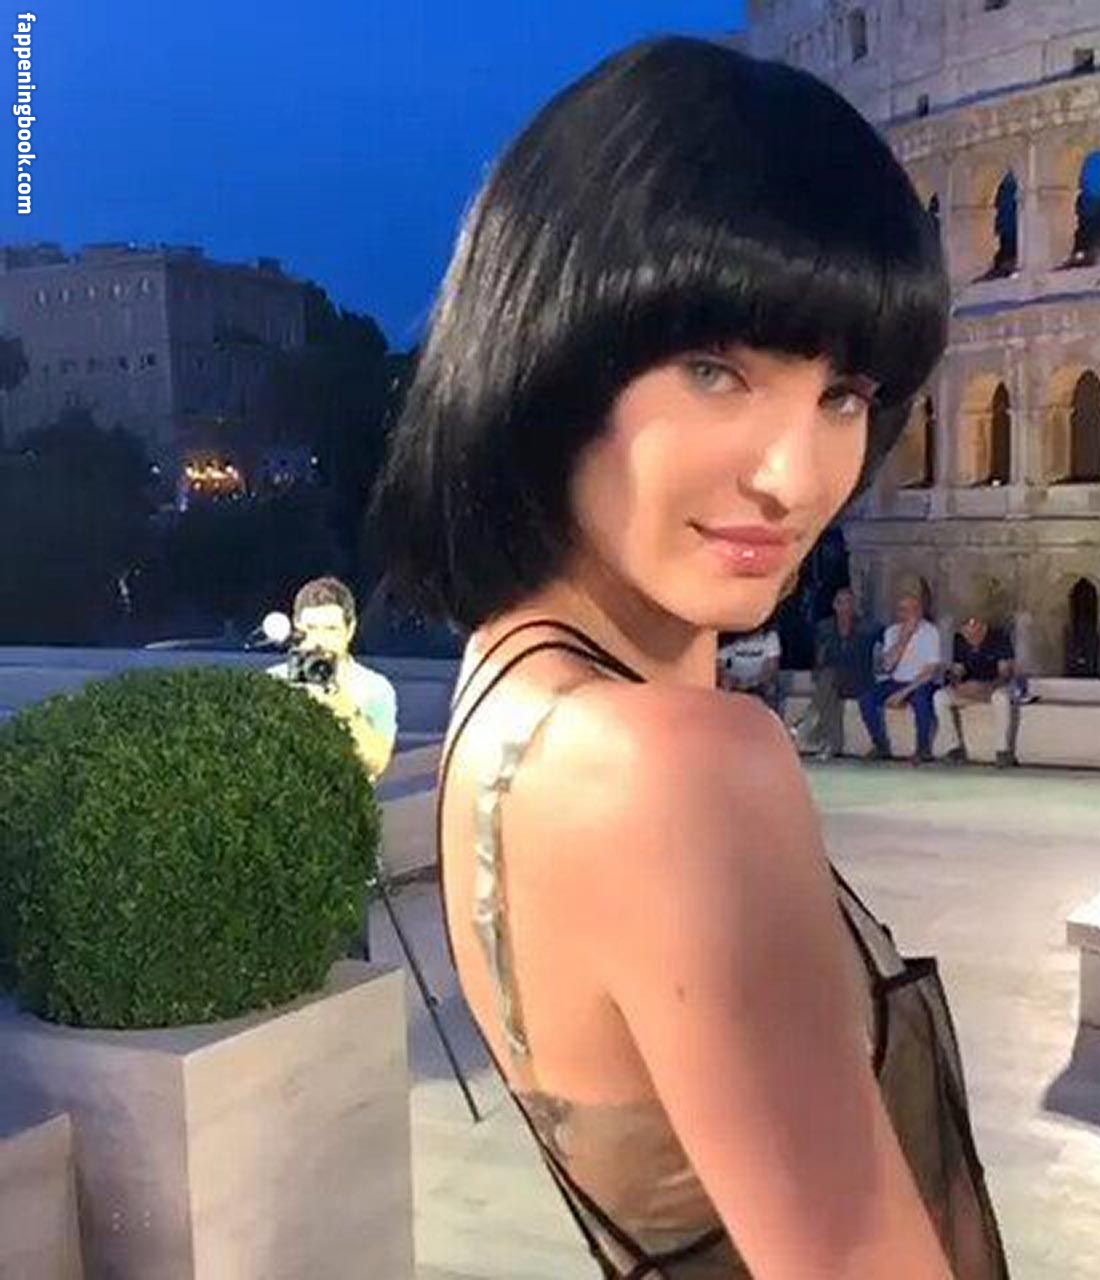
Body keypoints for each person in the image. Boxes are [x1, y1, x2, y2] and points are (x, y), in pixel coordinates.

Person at [373, 37, 1006, 1280]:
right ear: (554, 352)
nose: (793, 475)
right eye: (717, 370)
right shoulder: (674, 767)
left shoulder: (509, 690)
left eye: (842, 393)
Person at [268, 576, 399, 960]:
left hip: (345, 846)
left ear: (350, 630)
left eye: (330, 629)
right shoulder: (272, 685)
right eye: (310, 629)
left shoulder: (374, 689)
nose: (319, 641)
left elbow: (376, 761)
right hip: (281, 845)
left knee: (348, 962)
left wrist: (339, 703)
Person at [794, 587, 880, 759]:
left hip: (859, 680)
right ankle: (833, 744)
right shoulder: (824, 628)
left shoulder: (867, 628)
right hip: (832, 681)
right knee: (829, 688)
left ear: (854, 605)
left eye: (848, 602)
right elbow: (820, 658)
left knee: (828, 681)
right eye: (840, 603)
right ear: (834, 605)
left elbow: (863, 660)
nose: (844, 607)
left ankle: (808, 720)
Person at [857, 593, 943, 764]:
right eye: (902, 609)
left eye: (911, 609)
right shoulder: (892, 632)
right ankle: (881, 746)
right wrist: (904, 638)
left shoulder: (930, 632)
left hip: (921, 683)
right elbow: (888, 666)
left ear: (919, 611)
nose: (907, 613)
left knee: (921, 700)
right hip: (897, 681)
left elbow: (930, 671)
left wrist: (903, 693)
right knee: (866, 698)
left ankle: (923, 749)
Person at [933, 614, 1020, 767]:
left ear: (983, 627)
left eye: (974, 634)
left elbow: (1005, 674)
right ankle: (953, 749)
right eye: (966, 634)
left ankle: (1003, 751)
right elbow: (958, 670)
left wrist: (985, 687)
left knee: (1001, 698)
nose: (970, 639)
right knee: (940, 697)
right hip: (971, 689)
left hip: (994, 686)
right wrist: (957, 685)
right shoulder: (960, 639)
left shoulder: (1000, 637)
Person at [716, 623, 782, 715]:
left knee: (771, 687)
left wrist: (754, 681)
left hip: (759, 680)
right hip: (735, 680)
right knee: (723, 685)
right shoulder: (729, 638)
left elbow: (772, 667)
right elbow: (720, 665)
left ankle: (770, 717)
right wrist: (727, 677)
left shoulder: (770, 637)